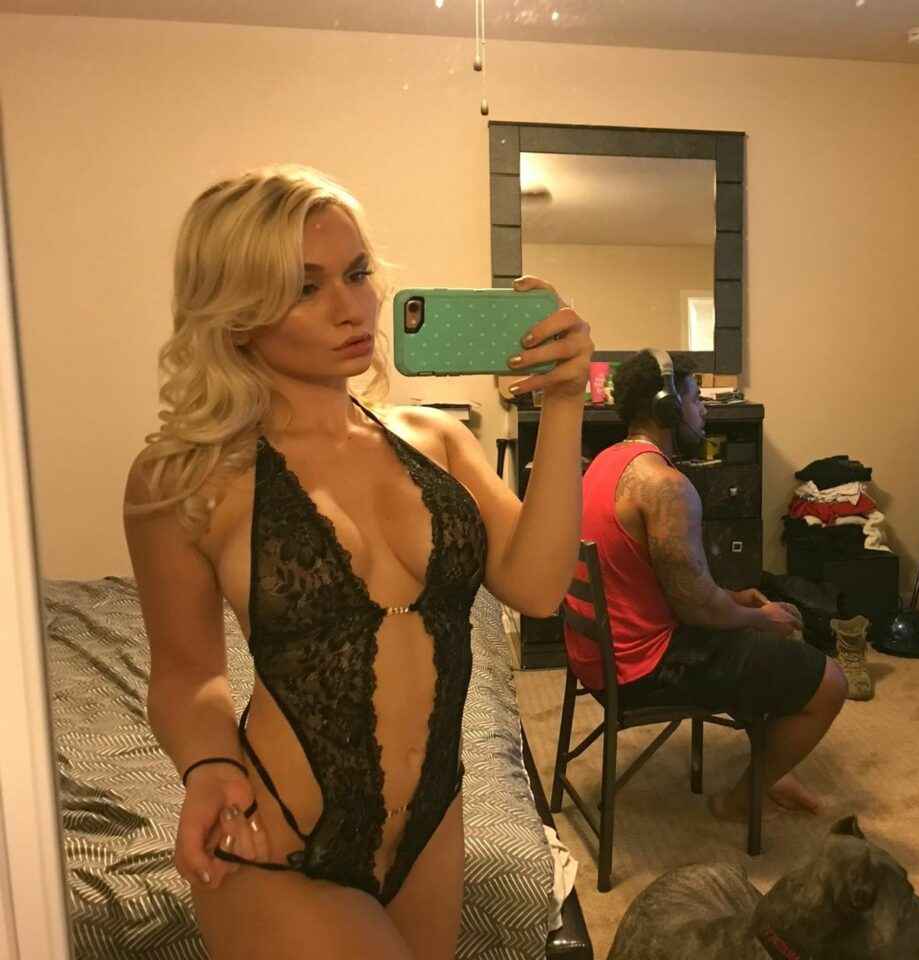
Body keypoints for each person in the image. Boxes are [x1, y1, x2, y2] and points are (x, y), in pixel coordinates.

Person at [123, 164, 593, 960]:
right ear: (236, 313)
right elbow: (186, 676)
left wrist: (565, 401)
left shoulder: (438, 440)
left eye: (357, 272)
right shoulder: (185, 478)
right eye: (305, 288)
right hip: (278, 839)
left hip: (432, 824)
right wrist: (207, 766)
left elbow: (540, 588)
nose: (352, 308)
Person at [563, 349, 847, 821]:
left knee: (754, 642)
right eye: (696, 399)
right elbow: (698, 610)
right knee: (829, 683)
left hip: (597, 658)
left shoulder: (605, 464)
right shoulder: (665, 485)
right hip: (642, 671)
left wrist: (735, 602)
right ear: (668, 407)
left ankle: (772, 769)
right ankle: (739, 801)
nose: (704, 411)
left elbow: (658, 582)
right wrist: (760, 617)